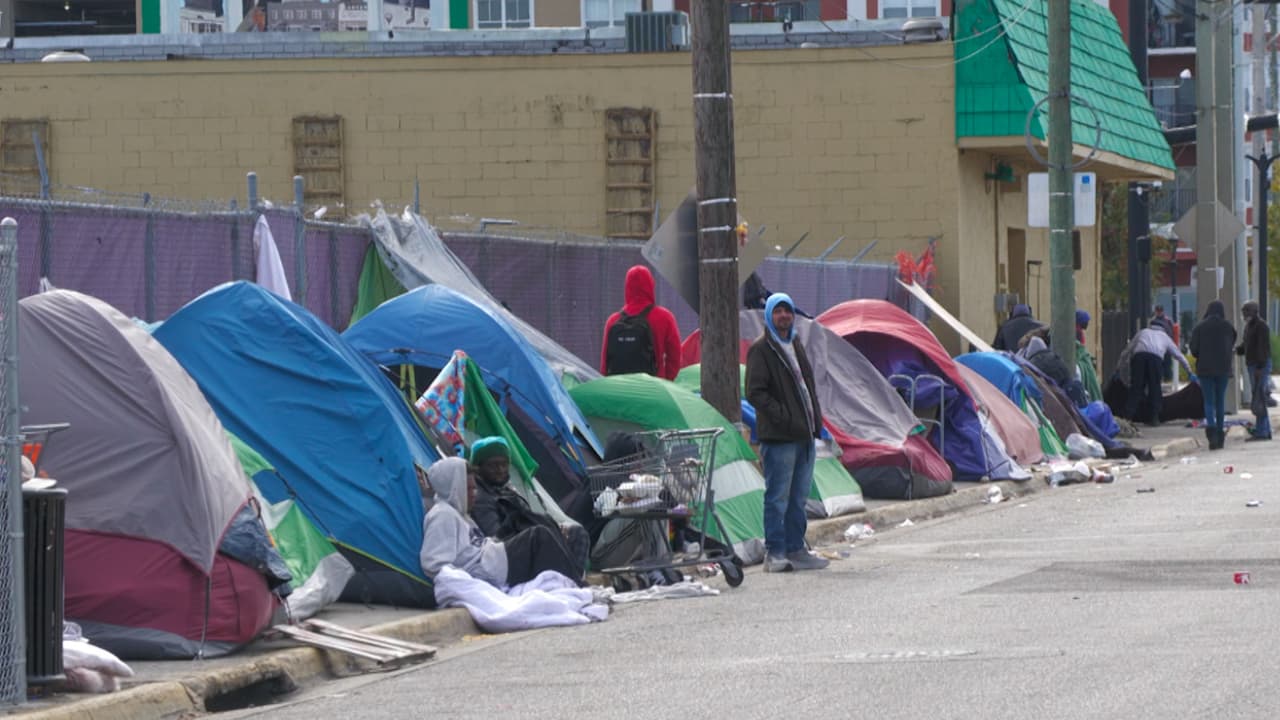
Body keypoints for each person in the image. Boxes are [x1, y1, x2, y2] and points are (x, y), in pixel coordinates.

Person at [745, 292, 828, 573]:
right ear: (769, 315)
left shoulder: (795, 342)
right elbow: (755, 392)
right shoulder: (762, 349)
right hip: (780, 437)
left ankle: (796, 548)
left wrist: (815, 422)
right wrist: (785, 418)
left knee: (799, 497)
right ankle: (775, 552)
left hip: (805, 435)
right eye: (778, 311)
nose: (784, 316)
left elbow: (807, 386)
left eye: (787, 311)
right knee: (777, 497)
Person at [419, 457, 584, 589]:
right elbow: (434, 564)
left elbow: (477, 543)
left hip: (494, 557)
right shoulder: (443, 515)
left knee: (548, 527)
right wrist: (471, 581)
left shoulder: (461, 514)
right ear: (453, 488)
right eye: (469, 489)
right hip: (490, 569)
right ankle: (578, 586)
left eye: (475, 488)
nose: (474, 494)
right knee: (539, 536)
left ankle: (574, 583)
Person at [469, 437, 590, 573]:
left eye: (504, 464)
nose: (500, 470)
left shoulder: (504, 489)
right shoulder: (480, 497)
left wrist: (554, 528)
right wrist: (541, 535)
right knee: (554, 539)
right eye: (493, 465)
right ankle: (570, 578)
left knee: (576, 532)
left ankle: (571, 577)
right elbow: (496, 537)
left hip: (529, 538)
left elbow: (529, 517)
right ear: (478, 468)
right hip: (512, 551)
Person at [600, 265, 681, 380]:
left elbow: (605, 365)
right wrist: (665, 380)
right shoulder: (665, 317)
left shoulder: (613, 321)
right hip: (653, 385)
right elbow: (675, 358)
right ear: (650, 286)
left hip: (620, 387)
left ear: (627, 287)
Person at [1189, 300, 1236, 450]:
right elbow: (1232, 344)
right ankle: (1220, 434)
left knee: (1209, 401)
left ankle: (1212, 432)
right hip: (1223, 369)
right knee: (1220, 401)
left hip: (1205, 370)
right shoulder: (1228, 327)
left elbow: (1194, 350)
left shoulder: (1200, 327)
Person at [1125, 326, 1195, 426]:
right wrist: (1189, 371)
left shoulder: (1142, 332)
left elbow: (1128, 349)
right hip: (1155, 359)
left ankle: (1128, 417)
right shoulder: (1164, 336)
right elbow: (1178, 355)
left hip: (1139, 358)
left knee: (1136, 387)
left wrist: (1118, 368)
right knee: (1155, 388)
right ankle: (1154, 418)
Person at [1237, 300, 1272, 441]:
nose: (1244, 315)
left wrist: (1259, 367)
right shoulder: (1249, 326)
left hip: (1259, 366)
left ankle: (1262, 432)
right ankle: (1265, 430)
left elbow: (1262, 348)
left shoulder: (1261, 326)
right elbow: (1246, 345)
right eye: (1243, 312)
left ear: (1254, 311)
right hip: (1253, 365)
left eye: (1246, 311)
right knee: (1259, 397)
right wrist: (1237, 350)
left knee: (1259, 398)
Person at [1150, 305, 1176, 382]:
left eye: (1160, 311)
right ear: (1155, 311)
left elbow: (1172, 332)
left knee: (1167, 364)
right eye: (1157, 311)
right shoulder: (1152, 321)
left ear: (1163, 311)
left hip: (1166, 345)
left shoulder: (1168, 320)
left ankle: (1168, 379)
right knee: (1158, 364)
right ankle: (1160, 378)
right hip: (1156, 346)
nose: (1159, 312)